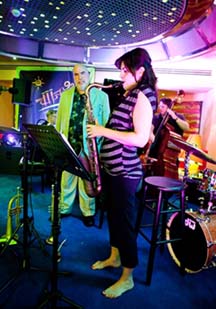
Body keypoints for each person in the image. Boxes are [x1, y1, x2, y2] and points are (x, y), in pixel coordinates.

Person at [86, 47, 157, 298]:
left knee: (124, 224)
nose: (121, 75)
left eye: (125, 70)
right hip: (112, 170)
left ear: (140, 71)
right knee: (114, 219)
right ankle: (114, 258)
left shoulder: (143, 96)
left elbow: (139, 139)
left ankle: (128, 278)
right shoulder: (131, 93)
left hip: (125, 173)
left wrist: (102, 132)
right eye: (120, 70)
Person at [56, 64, 110, 227]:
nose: (80, 78)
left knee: (87, 181)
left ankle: (88, 212)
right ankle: (64, 208)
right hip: (69, 143)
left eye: (83, 73)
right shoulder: (65, 95)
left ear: (90, 75)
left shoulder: (101, 96)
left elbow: (106, 123)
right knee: (67, 179)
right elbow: (60, 120)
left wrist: (99, 147)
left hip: (88, 147)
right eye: (76, 75)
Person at [149, 96, 190, 176]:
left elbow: (186, 127)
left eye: (163, 107)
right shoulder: (157, 117)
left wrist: (175, 117)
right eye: (159, 106)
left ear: (169, 108)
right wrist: (151, 135)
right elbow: (151, 128)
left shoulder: (178, 116)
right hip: (157, 152)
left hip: (171, 155)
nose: (160, 108)